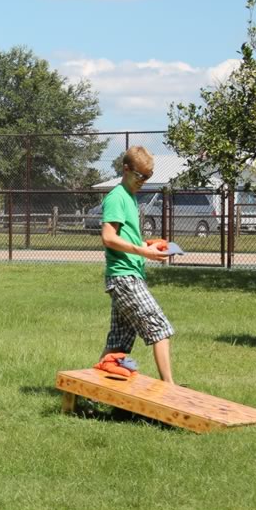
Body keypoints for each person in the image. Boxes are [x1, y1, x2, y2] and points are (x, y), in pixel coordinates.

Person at [99, 146, 175, 383]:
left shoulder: (130, 197)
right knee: (160, 328)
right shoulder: (117, 197)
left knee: (119, 343)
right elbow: (108, 238)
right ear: (126, 169)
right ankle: (169, 388)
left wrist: (148, 245)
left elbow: (125, 238)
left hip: (128, 275)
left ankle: (93, 394)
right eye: (140, 175)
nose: (144, 181)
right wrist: (144, 252)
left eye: (148, 177)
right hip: (124, 278)